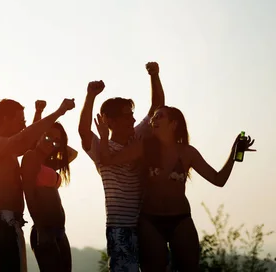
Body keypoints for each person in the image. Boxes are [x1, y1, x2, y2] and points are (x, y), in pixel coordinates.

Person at [96, 106, 255, 271]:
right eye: (154, 117)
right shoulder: (143, 147)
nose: (153, 120)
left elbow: (218, 179)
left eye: (159, 117)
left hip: (181, 219)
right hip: (150, 221)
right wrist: (103, 136)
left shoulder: (188, 152)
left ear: (173, 124)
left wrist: (233, 154)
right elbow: (107, 161)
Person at [78, 62, 164, 272]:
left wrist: (154, 75)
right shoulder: (101, 147)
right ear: (110, 120)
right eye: (127, 115)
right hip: (120, 227)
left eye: (132, 114)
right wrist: (90, 96)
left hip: (147, 223)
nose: (133, 118)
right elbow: (83, 130)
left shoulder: (138, 134)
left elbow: (157, 107)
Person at [0, 97, 76, 272]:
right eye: (20, 121)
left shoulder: (5, 150)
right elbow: (24, 140)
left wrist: (38, 114)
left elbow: (29, 141)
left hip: (7, 223)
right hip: (2, 223)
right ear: (5, 120)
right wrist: (59, 112)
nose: (23, 126)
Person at [21, 100, 78, 272]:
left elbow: (72, 153)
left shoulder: (49, 164)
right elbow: (29, 193)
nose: (50, 143)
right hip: (44, 230)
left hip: (59, 230)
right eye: (47, 137)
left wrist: (56, 142)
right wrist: (40, 227)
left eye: (56, 142)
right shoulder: (31, 158)